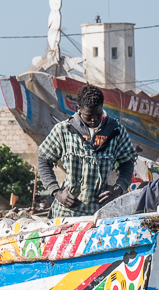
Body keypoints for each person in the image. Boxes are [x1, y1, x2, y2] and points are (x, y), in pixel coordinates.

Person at [36, 85, 137, 218]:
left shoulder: (116, 131)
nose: (94, 119)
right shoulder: (63, 130)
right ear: (79, 109)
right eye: (89, 116)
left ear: (102, 108)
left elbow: (127, 162)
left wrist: (118, 189)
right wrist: (56, 192)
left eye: (98, 114)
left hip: (101, 215)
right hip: (66, 215)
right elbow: (43, 159)